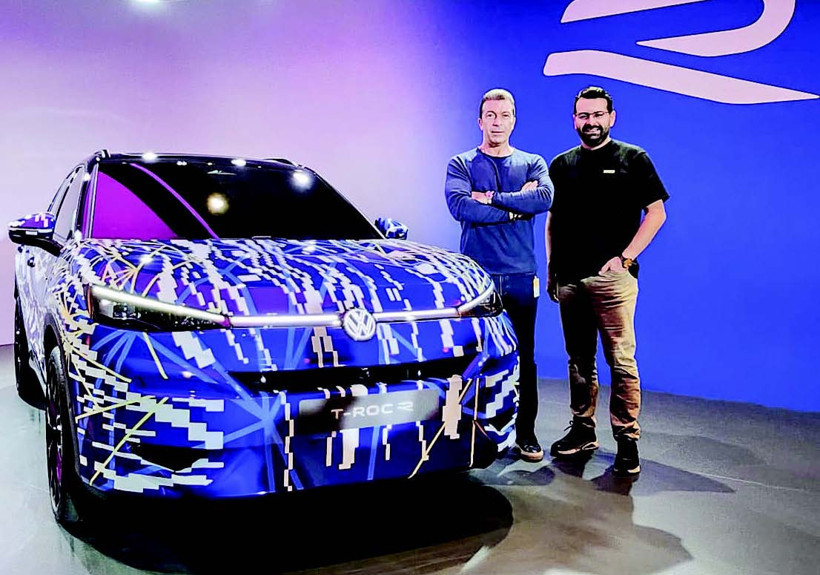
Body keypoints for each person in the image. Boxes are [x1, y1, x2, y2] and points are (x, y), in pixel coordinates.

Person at [546, 86, 669, 477]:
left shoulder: (633, 159)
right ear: (574, 120)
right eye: (584, 115)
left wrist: (626, 258)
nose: (591, 122)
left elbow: (656, 213)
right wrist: (552, 268)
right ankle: (583, 429)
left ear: (611, 118)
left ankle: (627, 440)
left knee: (621, 360)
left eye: (598, 115)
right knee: (579, 361)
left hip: (612, 281)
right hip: (570, 279)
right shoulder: (561, 164)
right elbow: (553, 220)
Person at [445, 88, 554, 462]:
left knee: (524, 357)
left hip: (521, 276)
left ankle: (526, 435)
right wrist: (515, 206)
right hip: (476, 279)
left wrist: (490, 197)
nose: (497, 122)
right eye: (490, 115)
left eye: (504, 115)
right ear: (480, 121)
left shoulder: (532, 162)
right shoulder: (461, 164)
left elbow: (543, 199)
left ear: (514, 120)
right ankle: (467, 434)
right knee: (471, 359)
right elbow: (462, 207)